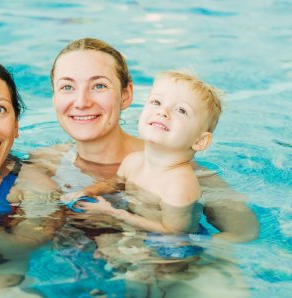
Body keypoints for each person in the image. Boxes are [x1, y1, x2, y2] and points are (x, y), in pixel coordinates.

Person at [32, 37, 259, 243]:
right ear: (54, 97)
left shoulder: (177, 168)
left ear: (126, 95)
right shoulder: (43, 163)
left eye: (99, 85)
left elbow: (243, 232)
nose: (81, 102)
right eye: (67, 87)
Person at [64, 70, 222, 235]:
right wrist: (89, 191)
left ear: (199, 141)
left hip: (171, 248)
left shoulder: (179, 184)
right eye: (156, 102)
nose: (162, 112)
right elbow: (114, 184)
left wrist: (114, 214)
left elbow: (174, 232)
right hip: (137, 227)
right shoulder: (133, 161)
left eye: (181, 110)